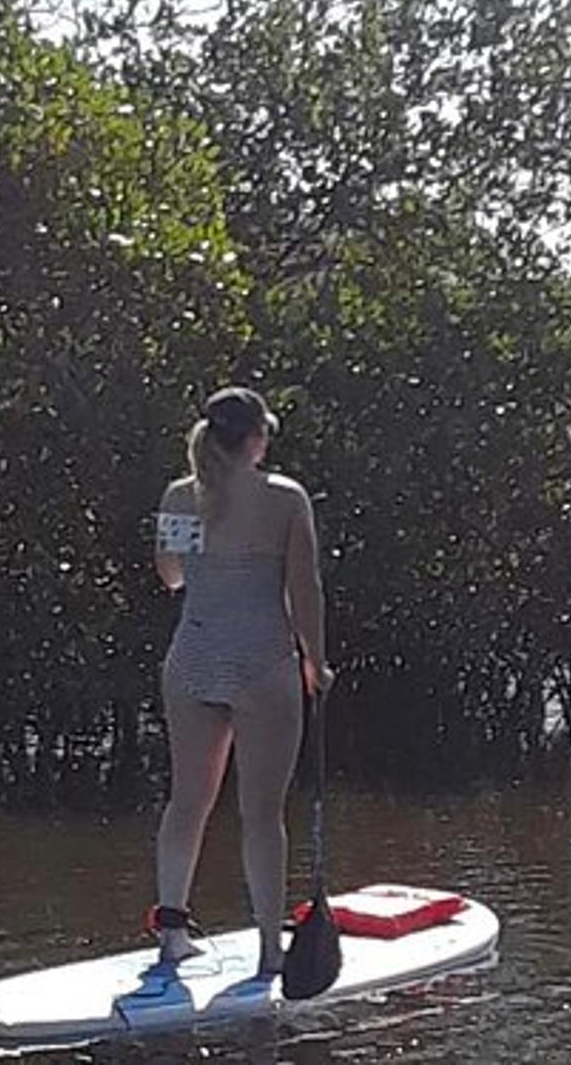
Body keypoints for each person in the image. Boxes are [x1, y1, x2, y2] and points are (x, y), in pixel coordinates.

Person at [150, 386, 331, 978]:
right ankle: (268, 951)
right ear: (255, 439)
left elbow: (171, 578)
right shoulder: (284, 499)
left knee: (188, 802)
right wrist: (315, 660)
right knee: (261, 813)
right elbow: (305, 589)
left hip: (194, 657)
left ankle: (172, 935)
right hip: (262, 664)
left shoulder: (181, 495)